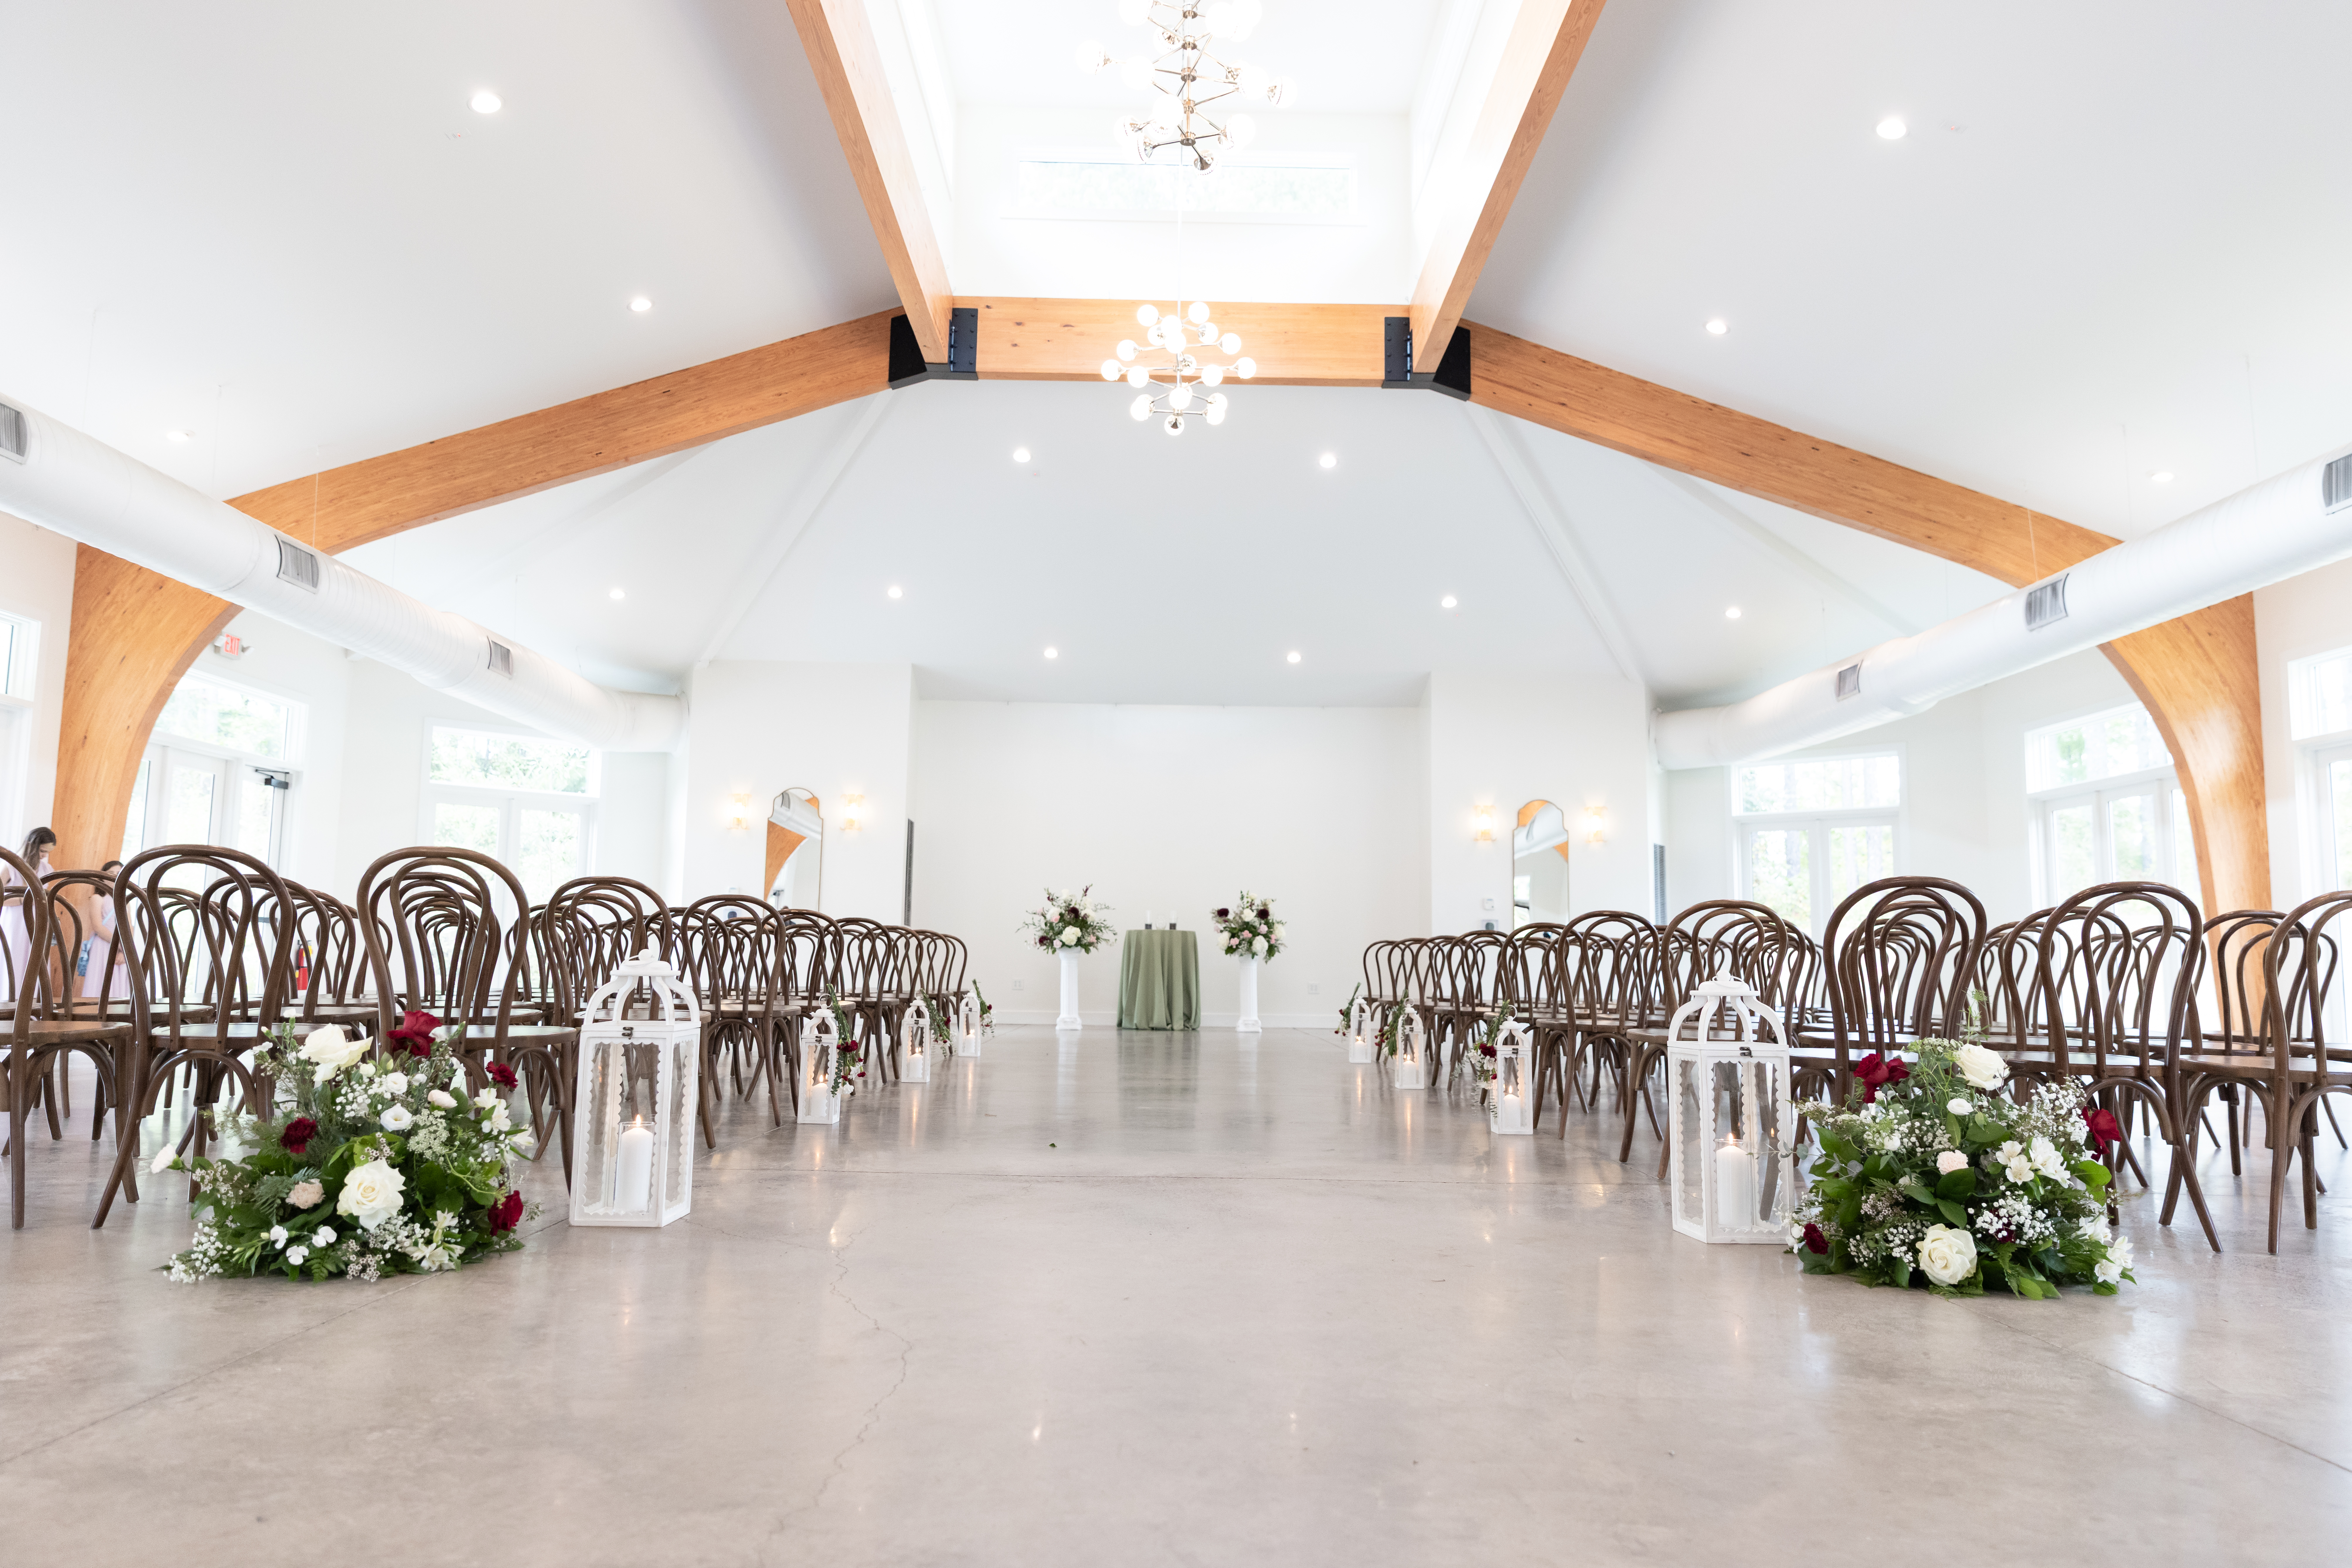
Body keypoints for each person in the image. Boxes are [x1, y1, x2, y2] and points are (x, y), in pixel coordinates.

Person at [2, 826, 57, 1003]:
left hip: (38, 921)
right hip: (16, 922)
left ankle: (31, 1008)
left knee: (36, 962)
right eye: (42, 851)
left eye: (48, 852)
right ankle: (9, 1004)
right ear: (32, 846)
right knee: (15, 962)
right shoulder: (11, 867)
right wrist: (25, 900)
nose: (45, 856)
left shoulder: (47, 868)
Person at [78, 858, 129, 1002]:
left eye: (118, 873)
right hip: (103, 946)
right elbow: (98, 927)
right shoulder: (97, 898)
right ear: (103, 876)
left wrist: (124, 950)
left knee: (119, 983)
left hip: (122, 947)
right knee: (100, 980)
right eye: (111, 873)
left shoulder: (125, 900)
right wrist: (121, 946)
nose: (114, 876)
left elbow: (129, 927)